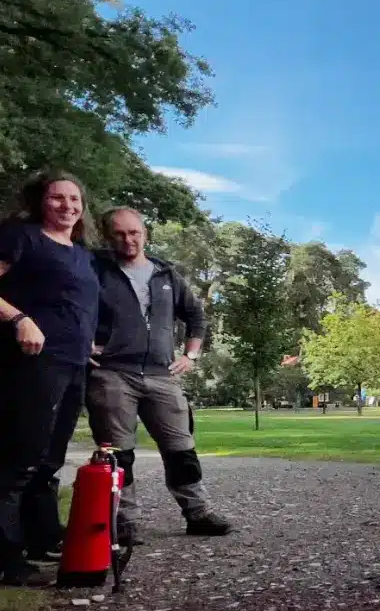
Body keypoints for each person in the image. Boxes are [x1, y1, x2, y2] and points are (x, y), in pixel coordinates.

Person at [86, 207, 232, 540]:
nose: (128, 240)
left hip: (162, 375)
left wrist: (191, 355)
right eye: (120, 234)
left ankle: (198, 513)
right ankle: (125, 523)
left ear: (145, 234)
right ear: (109, 237)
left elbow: (197, 317)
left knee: (181, 447)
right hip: (111, 373)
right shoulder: (94, 270)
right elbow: (71, 307)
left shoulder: (166, 274)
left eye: (134, 233)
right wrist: (83, 345)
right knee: (117, 453)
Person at [0, 172, 99, 587]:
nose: (67, 206)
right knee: (20, 458)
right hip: (32, 362)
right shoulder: (21, 237)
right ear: (42, 201)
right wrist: (20, 319)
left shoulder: (81, 253)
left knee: (50, 459)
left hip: (73, 363)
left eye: (74, 199)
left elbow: (74, 304)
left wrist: (87, 345)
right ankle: (6, 556)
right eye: (57, 198)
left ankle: (42, 539)